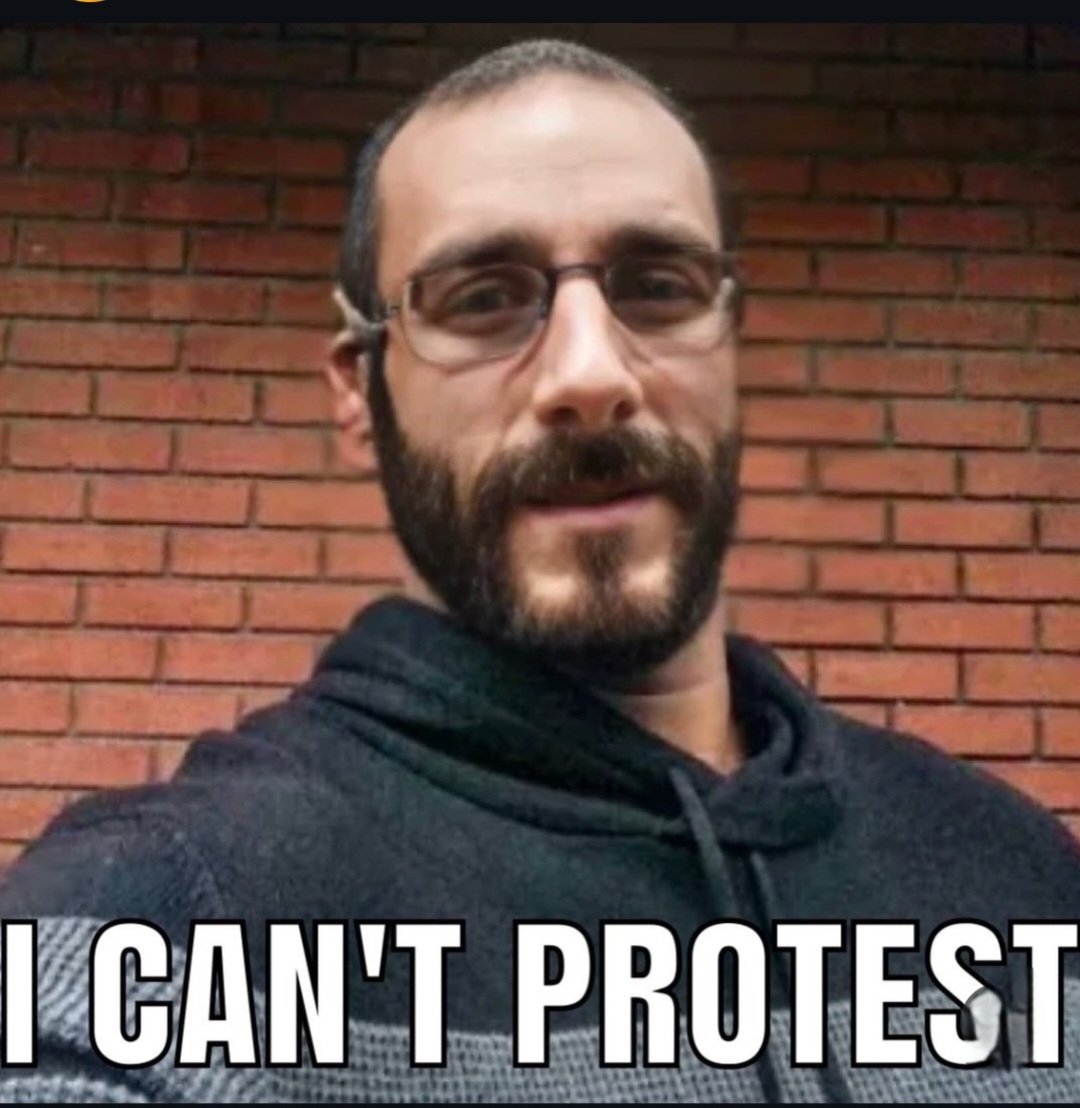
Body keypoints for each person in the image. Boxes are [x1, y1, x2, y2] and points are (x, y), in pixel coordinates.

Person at [1, 38, 1078, 1104]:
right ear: (359, 391)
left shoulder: (1024, 882)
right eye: (481, 298)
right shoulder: (159, 942)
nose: (590, 373)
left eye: (657, 286)